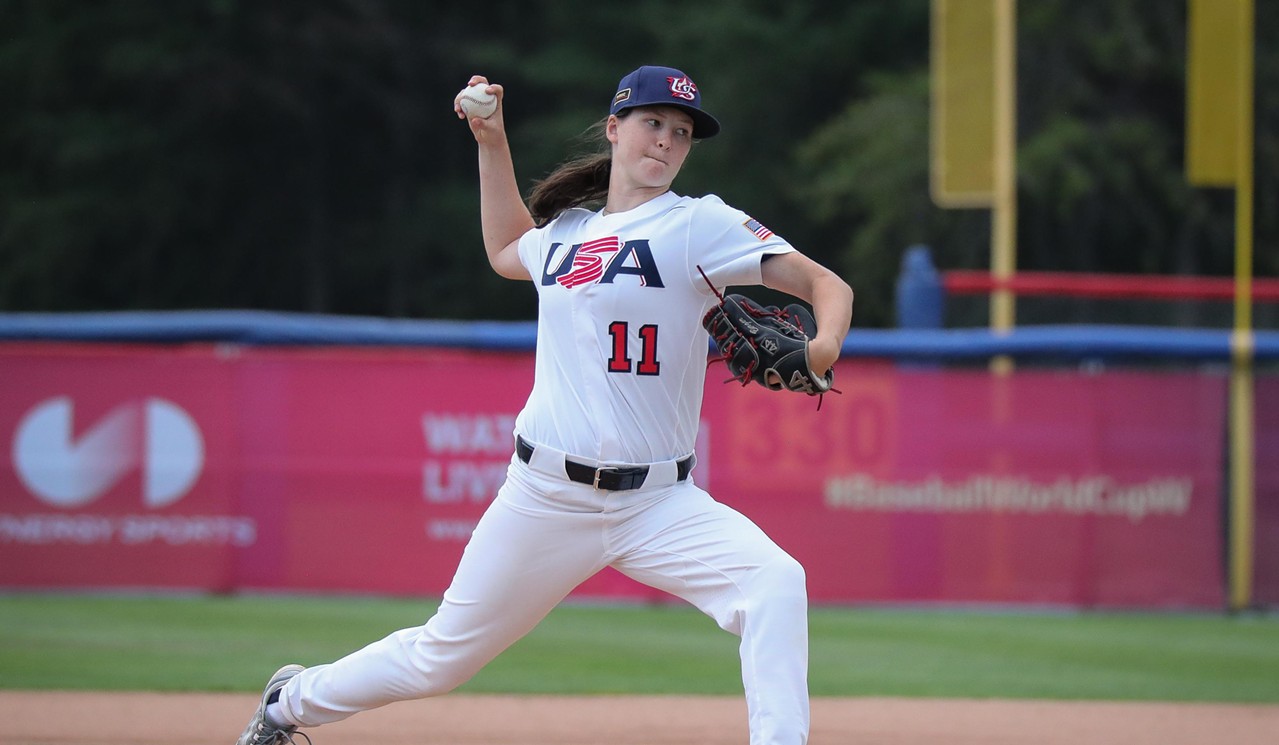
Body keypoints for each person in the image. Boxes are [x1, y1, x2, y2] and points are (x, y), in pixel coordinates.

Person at [235, 64, 853, 745]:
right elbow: (505, 247)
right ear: (614, 129)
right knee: (441, 655)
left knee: (774, 581)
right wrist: (491, 140)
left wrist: (821, 348)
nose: (667, 142)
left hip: (660, 503)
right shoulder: (564, 234)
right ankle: (288, 703)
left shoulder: (698, 224)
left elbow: (826, 284)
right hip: (545, 495)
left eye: (681, 132)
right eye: (653, 123)